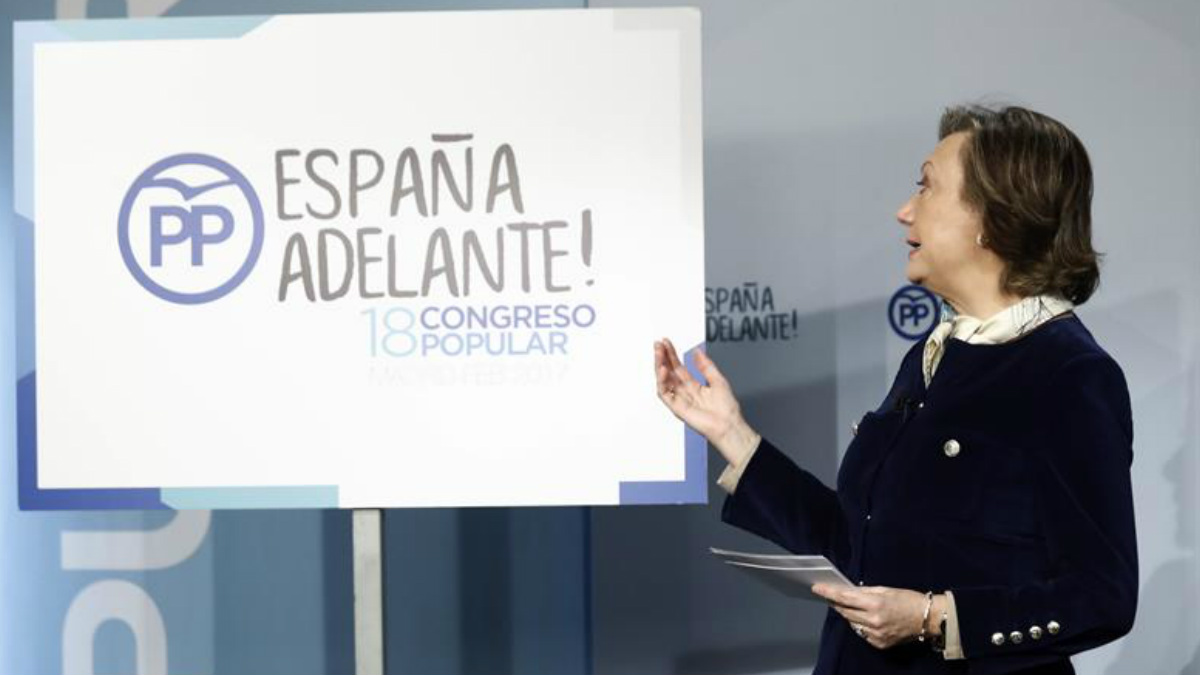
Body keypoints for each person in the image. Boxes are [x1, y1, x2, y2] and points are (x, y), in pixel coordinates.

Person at [653, 105, 1137, 675]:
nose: (904, 211)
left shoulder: (1068, 374)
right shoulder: (933, 355)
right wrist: (730, 433)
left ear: (994, 219)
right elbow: (859, 546)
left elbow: (1101, 597)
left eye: (927, 189)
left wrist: (935, 617)